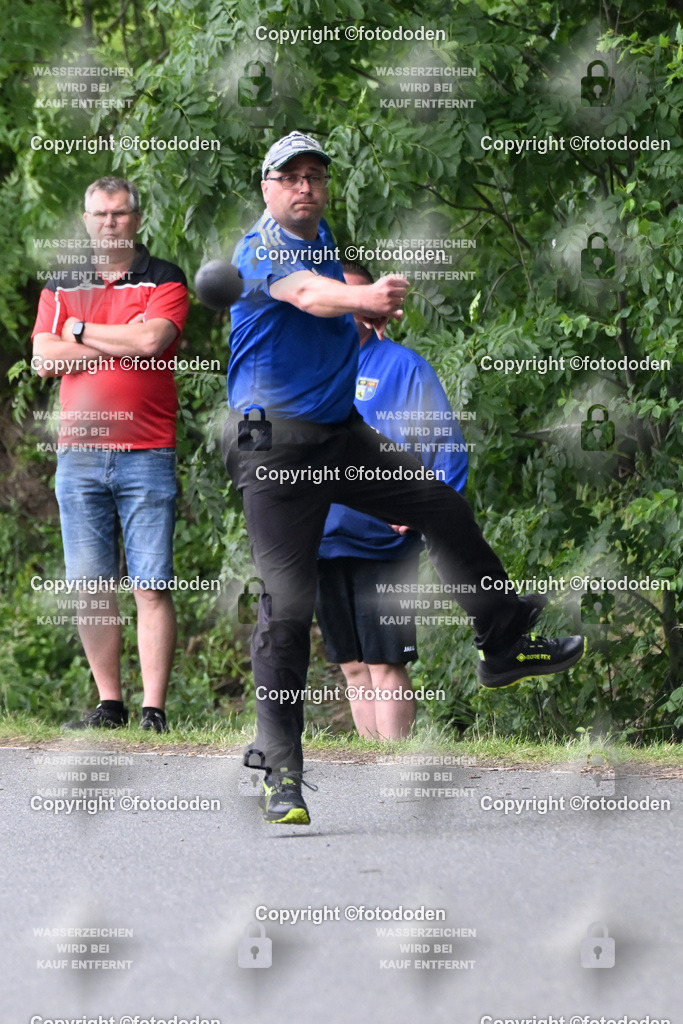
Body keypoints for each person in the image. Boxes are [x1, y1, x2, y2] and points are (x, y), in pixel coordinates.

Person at [224, 130, 585, 825]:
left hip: (336, 433)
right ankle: (280, 772)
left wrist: (360, 303)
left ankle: (503, 639)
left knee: (437, 503)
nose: (304, 186)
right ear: (266, 186)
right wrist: (359, 301)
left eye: (314, 176)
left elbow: (322, 290)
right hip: (274, 450)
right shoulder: (261, 247)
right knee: (288, 608)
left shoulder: (321, 235)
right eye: (289, 176)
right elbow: (304, 295)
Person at [31, 175, 189, 733]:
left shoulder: (164, 277)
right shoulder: (64, 280)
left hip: (146, 451)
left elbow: (151, 342)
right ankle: (110, 704)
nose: (108, 223)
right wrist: (110, 334)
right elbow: (43, 358)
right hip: (78, 455)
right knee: (92, 586)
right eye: (98, 214)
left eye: (119, 214)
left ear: (136, 219)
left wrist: (76, 330)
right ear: (85, 219)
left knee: (151, 582)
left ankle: (154, 710)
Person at [315, 261, 469, 740]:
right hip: (320, 541)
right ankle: (370, 769)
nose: (353, 310)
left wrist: (423, 510)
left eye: (362, 300)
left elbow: (446, 445)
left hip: (383, 543)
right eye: (343, 300)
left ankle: (392, 769)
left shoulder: (403, 367)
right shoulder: (310, 373)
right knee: (353, 668)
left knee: (385, 664)